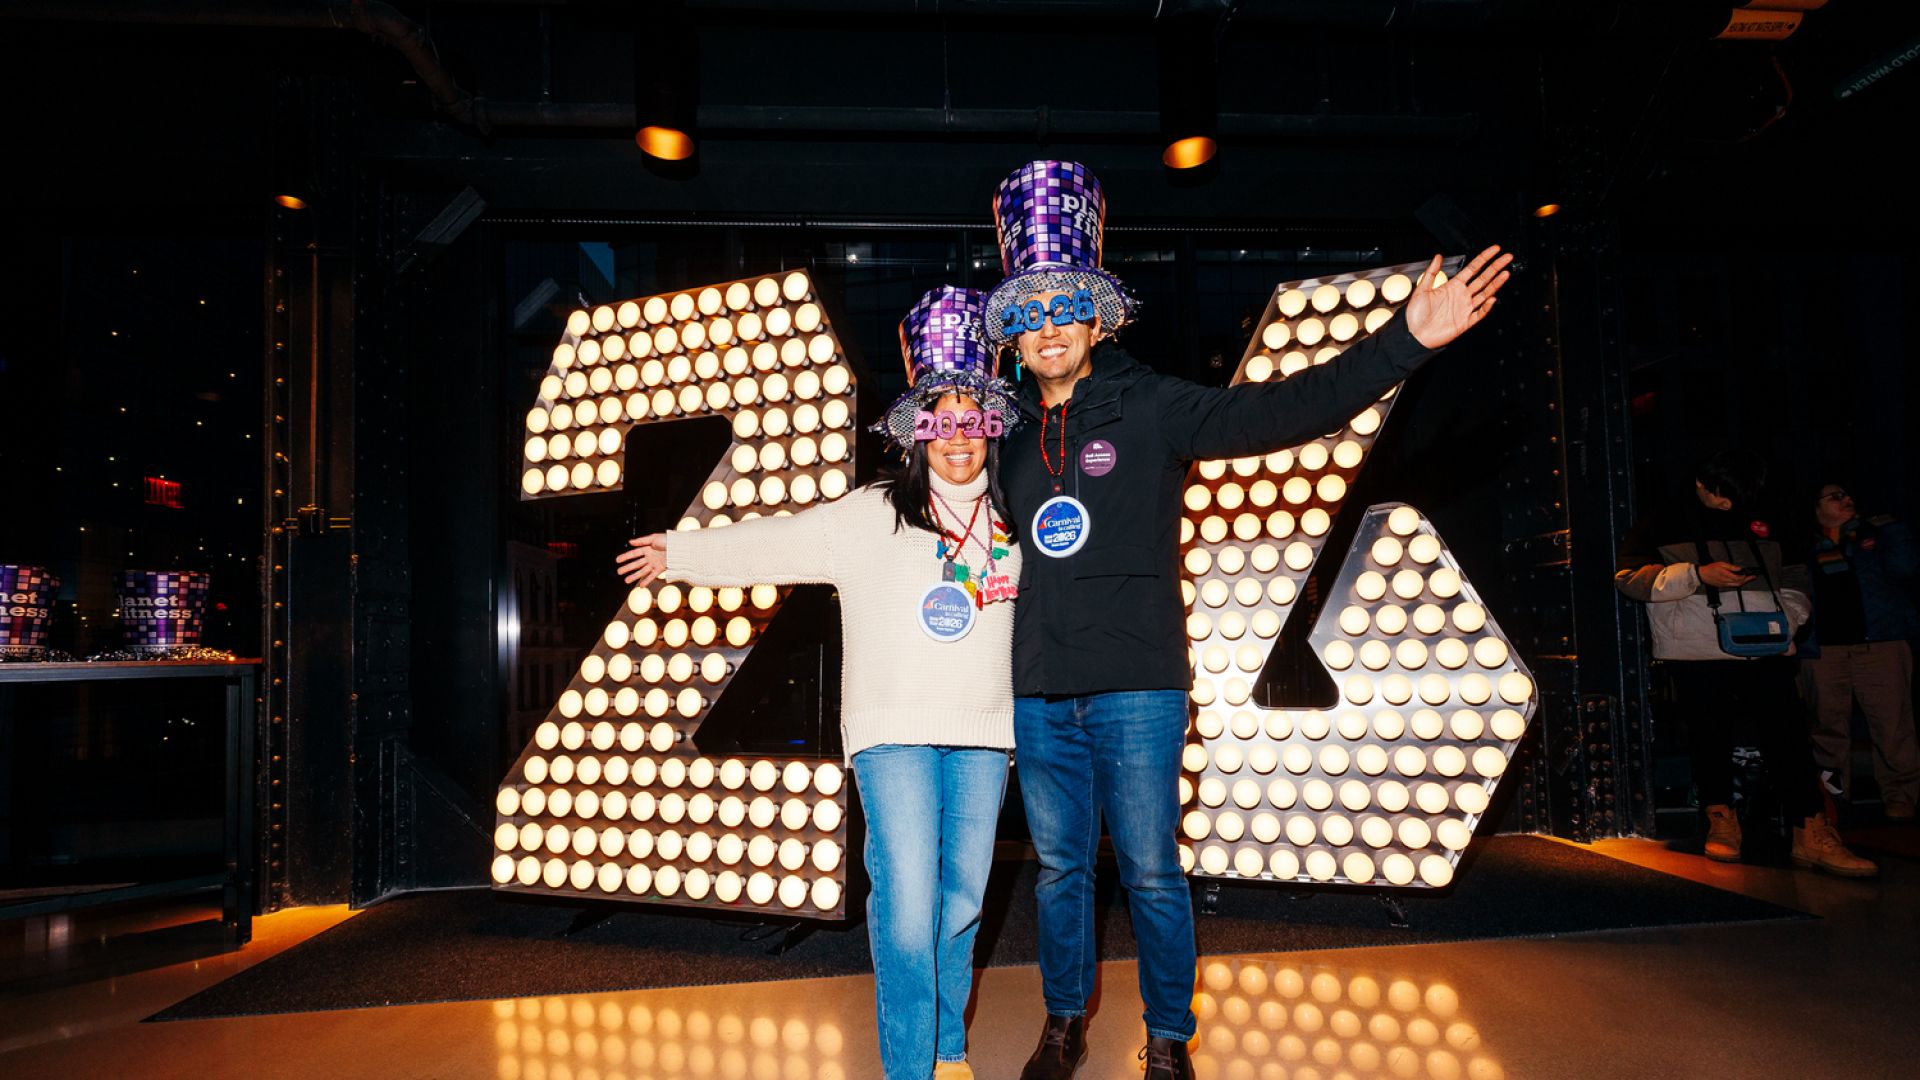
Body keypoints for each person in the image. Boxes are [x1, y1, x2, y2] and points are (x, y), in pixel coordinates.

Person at [979, 159, 1514, 1080]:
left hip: (1140, 686)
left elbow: (1284, 409)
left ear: (1097, 316)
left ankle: (1168, 1038)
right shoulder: (1005, 441)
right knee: (1060, 873)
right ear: (1015, 338)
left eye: (1064, 306)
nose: (1047, 328)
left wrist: (1405, 344)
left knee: (1149, 869)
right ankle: (1062, 1023)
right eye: (1027, 315)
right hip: (1039, 694)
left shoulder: (1150, 404)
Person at [616, 286, 1022, 1080]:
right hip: (891, 733)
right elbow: (777, 542)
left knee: (963, 906)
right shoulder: (872, 512)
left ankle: (947, 1046)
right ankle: (912, 1068)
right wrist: (684, 552)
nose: (958, 439)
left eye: (972, 419)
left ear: (991, 428)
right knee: (906, 908)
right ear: (916, 434)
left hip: (985, 733)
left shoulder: (1014, 519)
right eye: (939, 421)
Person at [1614, 453, 1874, 876]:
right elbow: (1628, 580)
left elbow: (1797, 580)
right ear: (1701, 482)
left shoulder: (1766, 516)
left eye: (1738, 494)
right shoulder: (1662, 520)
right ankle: (1722, 822)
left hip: (1766, 644)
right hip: (1696, 647)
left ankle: (1812, 831)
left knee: (1788, 733)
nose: (1729, 504)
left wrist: (1787, 624)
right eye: (1721, 493)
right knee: (1708, 734)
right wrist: (1697, 574)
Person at [1801, 481, 1920, 821]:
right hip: (1823, 650)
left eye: (1848, 494)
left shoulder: (1876, 534)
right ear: (1815, 506)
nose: (1847, 499)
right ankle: (1833, 799)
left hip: (1880, 643)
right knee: (1827, 728)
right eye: (1835, 496)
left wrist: (1893, 529)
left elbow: (1906, 567)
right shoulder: (1803, 543)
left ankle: (1901, 798)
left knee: (1893, 725)